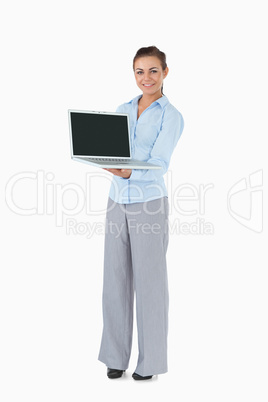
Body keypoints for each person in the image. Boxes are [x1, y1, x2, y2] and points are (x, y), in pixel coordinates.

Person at [98, 46, 184, 380]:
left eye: (152, 71)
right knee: (114, 280)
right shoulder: (122, 109)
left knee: (150, 284)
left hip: (149, 202)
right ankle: (114, 357)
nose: (145, 78)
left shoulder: (171, 115)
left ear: (164, 72)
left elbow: (160, 163)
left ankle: (150, 364)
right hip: (116, 200)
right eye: (139, 72)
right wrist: (102, 160)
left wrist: (129, 173)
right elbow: (113, 150)